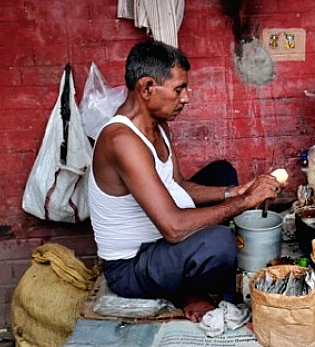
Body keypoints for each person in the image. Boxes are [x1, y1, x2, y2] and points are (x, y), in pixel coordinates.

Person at [88, 39, 281, 322]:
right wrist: (245, 202)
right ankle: (189, 290)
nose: (187, 97)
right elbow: (174, 229)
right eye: (179, 89)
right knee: (221, 242)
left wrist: (236, 191)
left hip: (160, 241)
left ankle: (191, 280)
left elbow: (178, 184)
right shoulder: (121, 141)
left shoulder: (157, 124)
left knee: (223, 173)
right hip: (131, 266)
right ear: (147, 88)